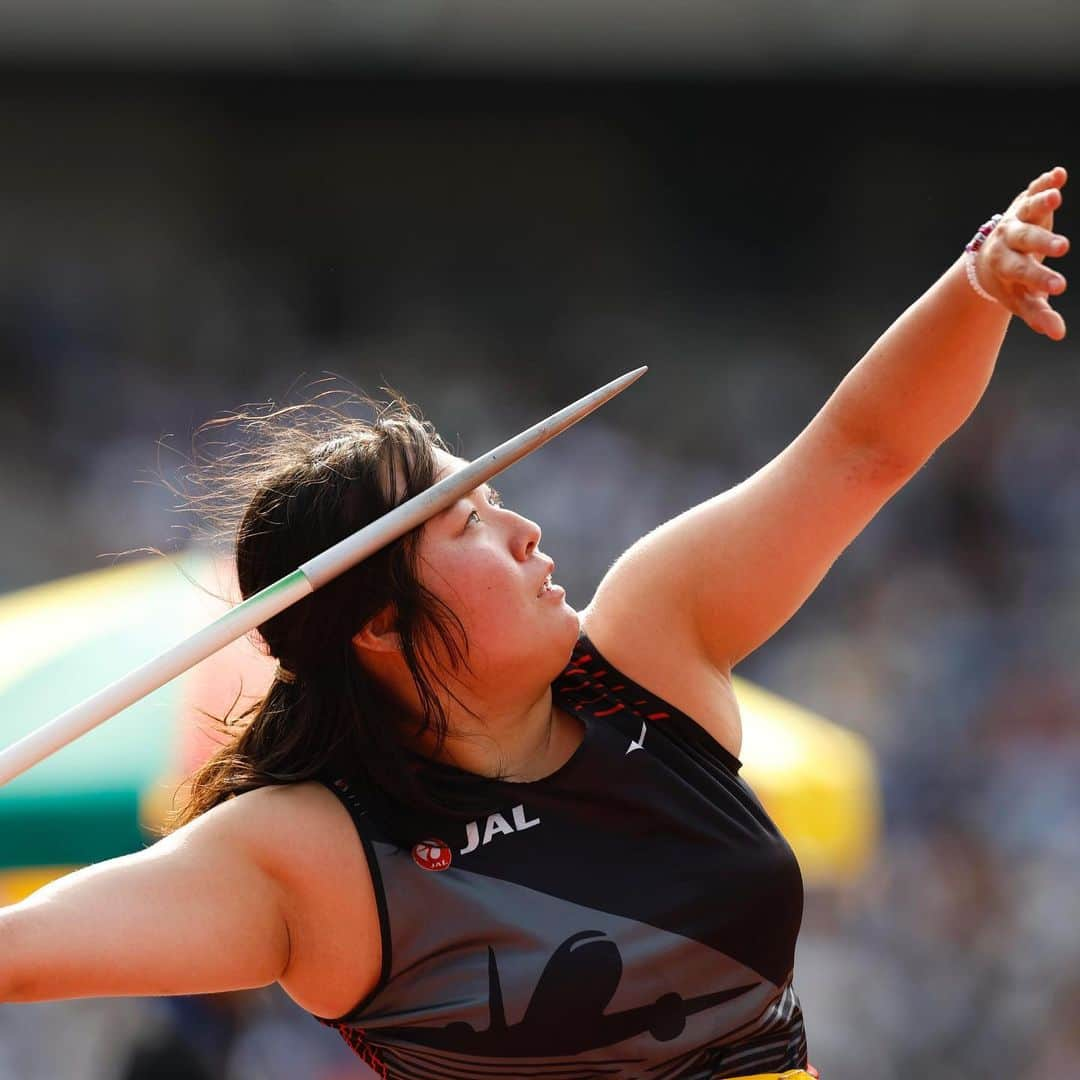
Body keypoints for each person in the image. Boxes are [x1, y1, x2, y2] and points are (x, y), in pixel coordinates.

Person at [0, 166, 1069, 1080]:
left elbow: (856, 451)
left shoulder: (650, 649)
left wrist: (975, 283)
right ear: (378, 621)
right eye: (468, 521)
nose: (526, 532)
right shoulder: (311, 853)